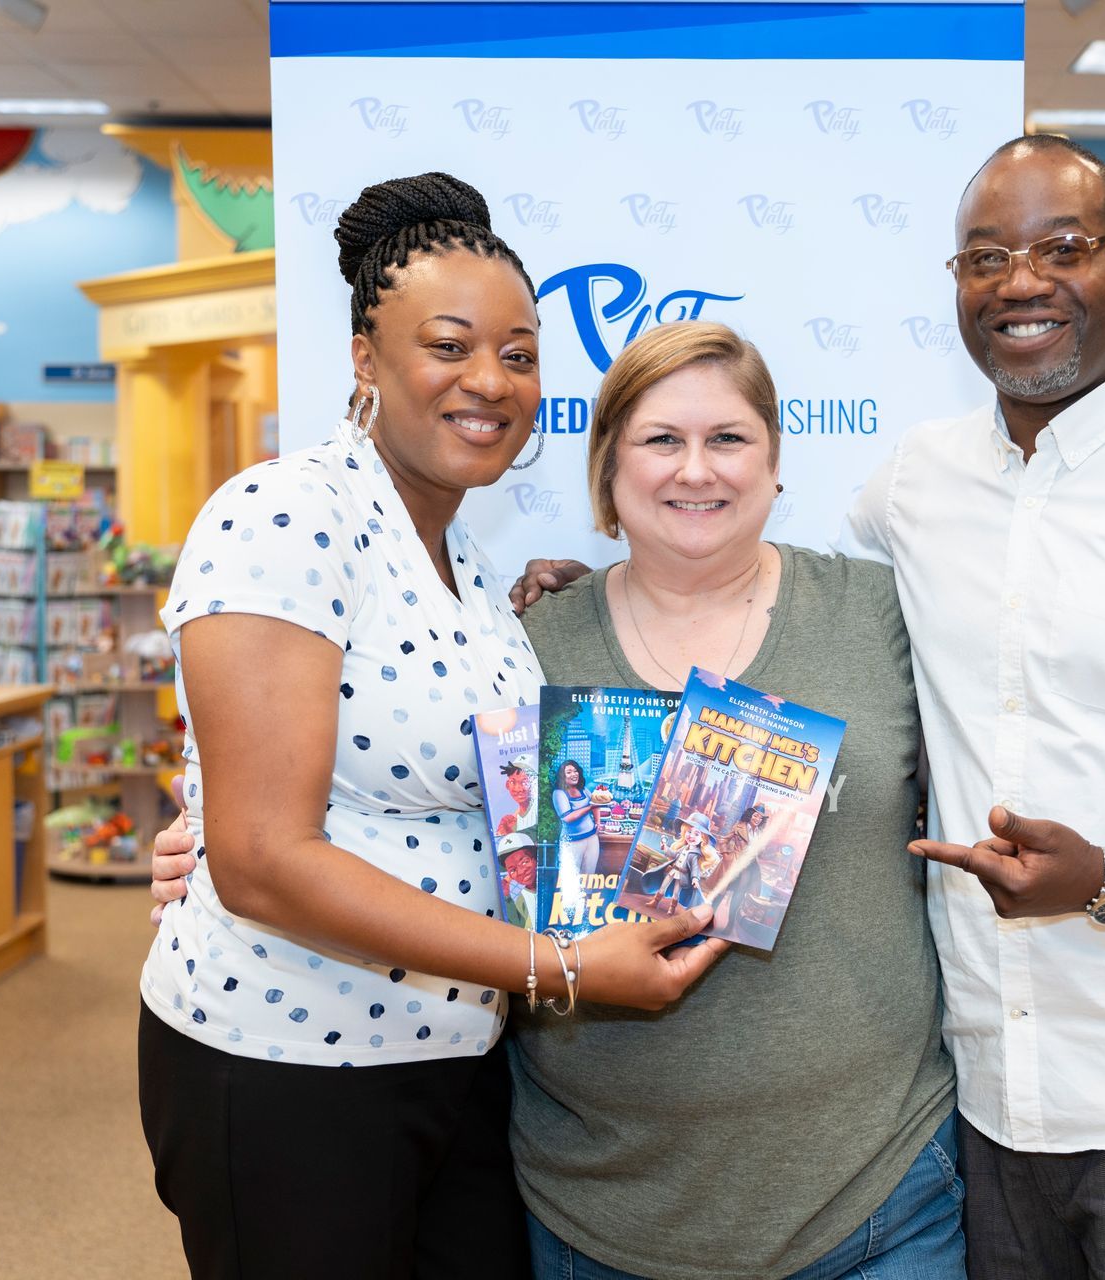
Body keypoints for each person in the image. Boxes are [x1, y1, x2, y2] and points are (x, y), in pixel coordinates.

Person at [514, 137, 1105, 1279]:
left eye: (1063, 247)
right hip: (985, 1100)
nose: (1023, 280)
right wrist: (596, 581)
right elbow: (739, 565)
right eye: (986, 256)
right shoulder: (917, 487)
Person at [155, 320, 964, 1280]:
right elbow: (391, 780)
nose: (695, 469)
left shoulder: (882, 614)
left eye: (729, 438)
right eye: (661, 440)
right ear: (607, 472)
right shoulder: (517, 647)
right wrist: (206, 835)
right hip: (595, 1211)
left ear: (777, 464)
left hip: (877, 1198)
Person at [135, 173, 725, 1280]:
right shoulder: (285, 514)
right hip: (285, 1068)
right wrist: (557, 965)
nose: (490, 381)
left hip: (453, 1061)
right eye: (448, 345)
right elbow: (264, 861)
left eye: (518, 352)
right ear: (365, 358)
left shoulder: (470, 564)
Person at [549, 758, 602, 918]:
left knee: (588, 875)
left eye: (575, 771)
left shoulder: (584, 790)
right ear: (562, 776)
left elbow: (596, 803)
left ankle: (586, 910)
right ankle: (569, 911)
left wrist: (598, 821)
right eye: (569, 772)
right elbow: (568, 817)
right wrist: (590, 807)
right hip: (572, 842)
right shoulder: (559, 793)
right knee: (571, 878)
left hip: (591, 839)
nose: (574, 774)